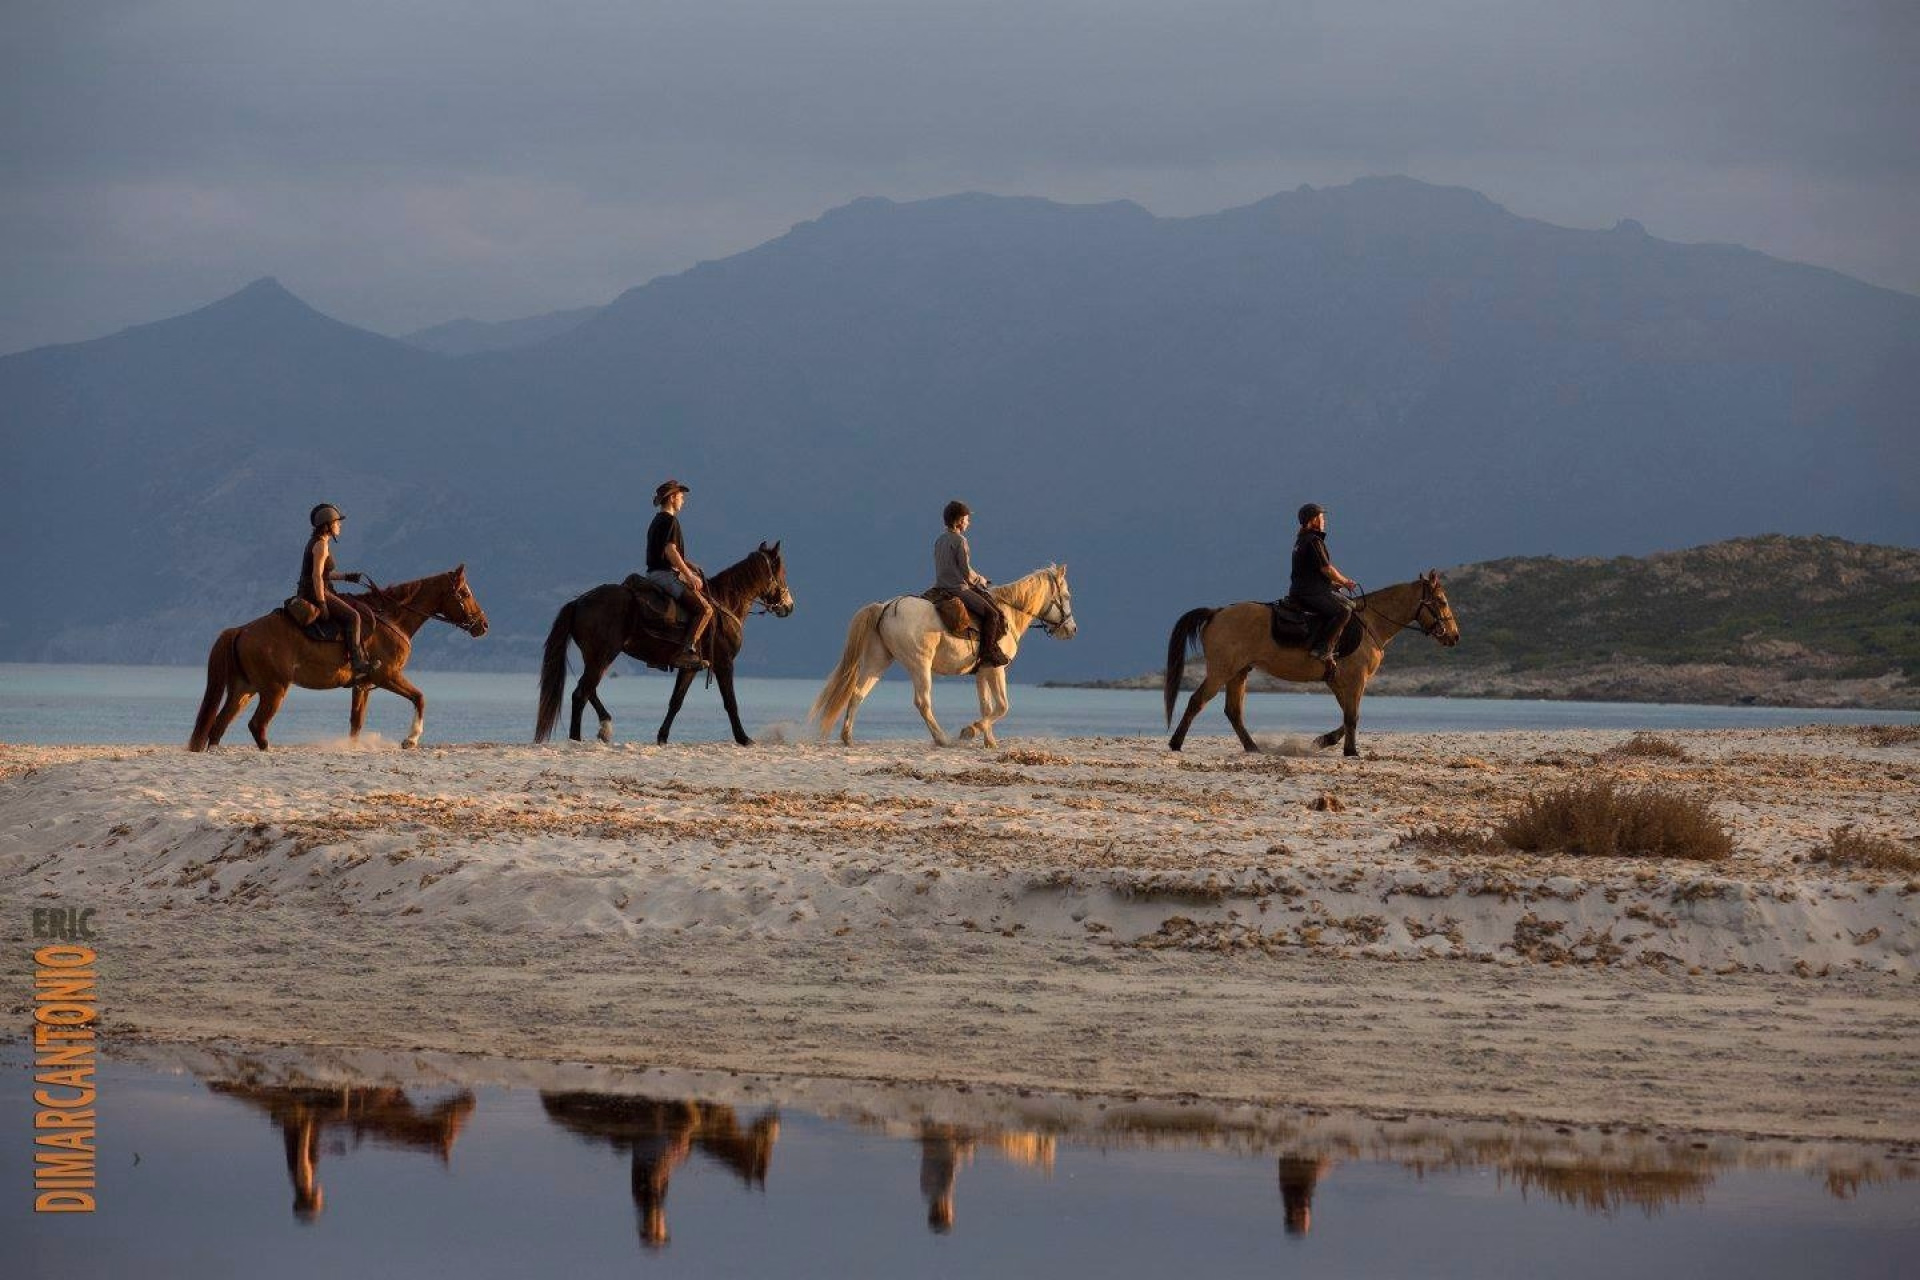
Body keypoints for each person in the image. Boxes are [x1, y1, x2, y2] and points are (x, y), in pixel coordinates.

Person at [299, 503, 379, 679]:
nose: (339, 525)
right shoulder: (321, 545)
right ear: (327, 525)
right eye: (337, 522)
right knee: (354, 616)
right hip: (316, 592)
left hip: (319, 589)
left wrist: (346, 577)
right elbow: (316, 576)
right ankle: (358, 663)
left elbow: (325, 574)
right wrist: (321, 603)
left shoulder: (320, 542)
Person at [645, 480, 713, 668]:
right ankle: (686, 652)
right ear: (672, 498)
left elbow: (665, 551)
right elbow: (670, 551)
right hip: (665, 576)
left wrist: (690, 565)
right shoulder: (670, 521)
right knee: (705, 609)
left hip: (653, 574)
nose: (683, 501)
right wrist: (689, 575)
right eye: (681, 497)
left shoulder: (657, 520)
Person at [932, 500, 1007, 667]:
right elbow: (965, 571)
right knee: (993, 615)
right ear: (959, 521)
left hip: (939, 587)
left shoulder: (939, 540)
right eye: (967, 519)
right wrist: (981, 580)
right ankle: (987, 653)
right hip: (957, 588)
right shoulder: (960, 541)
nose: (968, 522)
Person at [1290, 502, 1357, 670]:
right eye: (1321, 517)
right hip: (1310, 593)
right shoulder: (1313, 541)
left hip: (1303, 589)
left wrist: (1332, 584)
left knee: (1349, 604)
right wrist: (1345, 582)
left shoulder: (1301, 541)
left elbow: (1309, 572)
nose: (1324, 520)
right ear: (1313, 520)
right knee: (1344, 611)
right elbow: (1326, 568)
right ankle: (1323, 649)